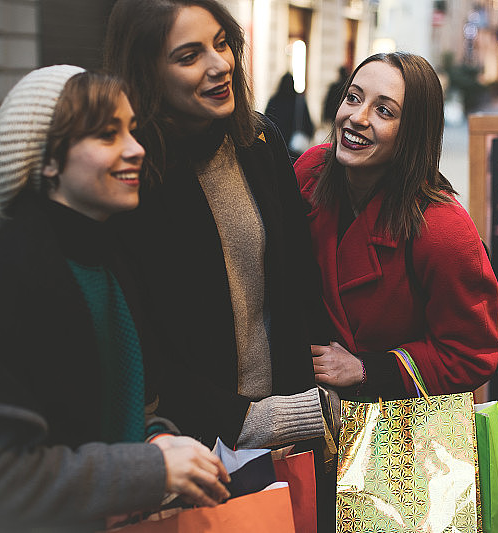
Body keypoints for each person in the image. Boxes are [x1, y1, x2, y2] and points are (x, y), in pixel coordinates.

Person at [0, 66, 230, 531]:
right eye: (106, 134)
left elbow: (124, 414)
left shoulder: (109, 258)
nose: (136, 149)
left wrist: (161, 443)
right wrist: (151, 468)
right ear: (46, 160)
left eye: (132, 130)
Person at [104, 0, 333, 453]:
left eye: (221, 44)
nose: (218, 65)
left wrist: (308, 399)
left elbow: (300, 285)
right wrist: (240, 419)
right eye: (189, 56)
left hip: (287, 430)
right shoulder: (131, 175)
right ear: (147, 71)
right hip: (192, 447)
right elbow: (139, 341)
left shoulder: (258, 141)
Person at [295, 52, 498, 399]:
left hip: (396, 432)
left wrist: (366, 369)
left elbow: (472, 354)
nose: (356, 118)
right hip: (308, 410)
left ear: (413, 131)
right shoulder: (312, 170)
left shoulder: (443, 229)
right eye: (353, 98)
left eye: (384, 111)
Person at [265, 72, 315, 158]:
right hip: (294, 149)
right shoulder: (299, 101)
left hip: (276, 147)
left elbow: (266, 122)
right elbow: (309, 126)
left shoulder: (274, 101)